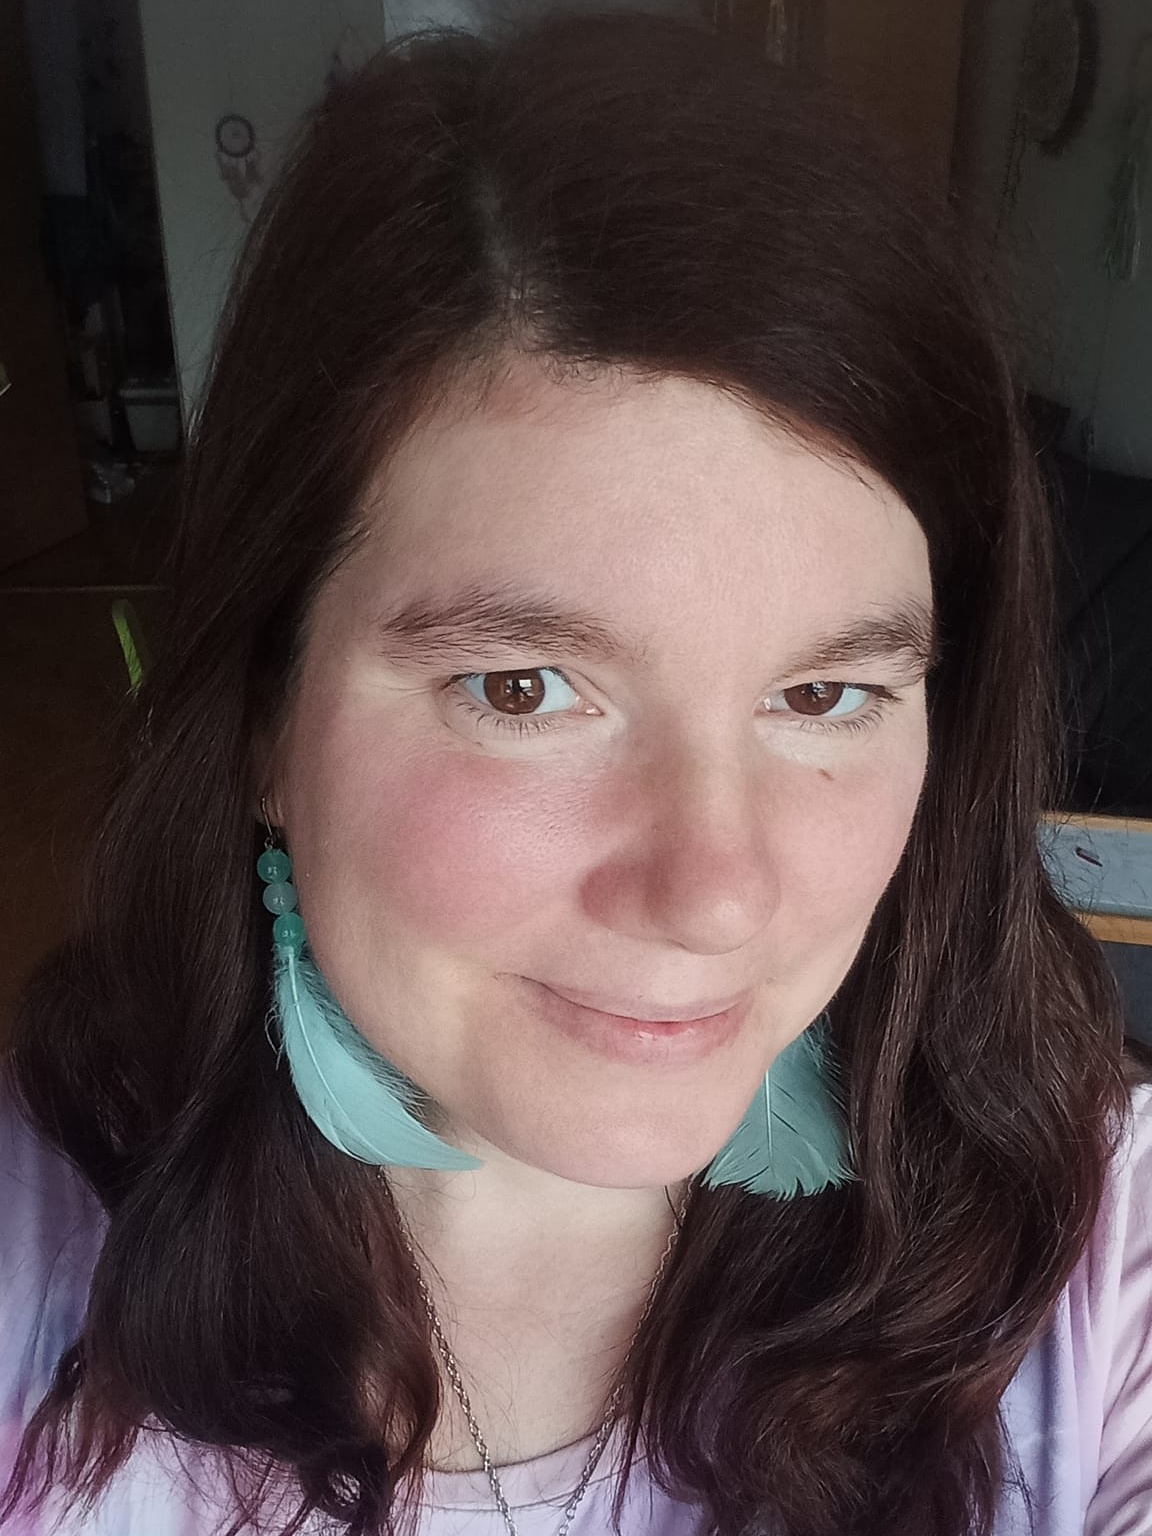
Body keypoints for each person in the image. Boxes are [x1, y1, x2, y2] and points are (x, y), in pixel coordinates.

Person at [3, 10, 1151, 1535]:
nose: (716, 893)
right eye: (525, 688)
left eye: (825, 695)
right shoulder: (37, 1265)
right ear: (264, 715)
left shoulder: (1100, 1263)